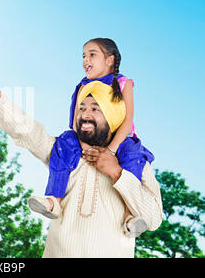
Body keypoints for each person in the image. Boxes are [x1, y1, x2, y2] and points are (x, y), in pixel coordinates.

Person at [0, 44, 163, 257]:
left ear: (112, 115)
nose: (84, 114)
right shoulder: (63, 152)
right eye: (81, 108)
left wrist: (117, 173)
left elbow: (153, 219)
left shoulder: (134, 163)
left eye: (95, 109)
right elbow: (22, 127)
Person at [27, 38, 153, 238]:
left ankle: (131, 216)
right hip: (87, 137)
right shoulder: (83, 85)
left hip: (120, 137)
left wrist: (111, 150)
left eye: (92, 54)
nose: (86, 59)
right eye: (83, 56)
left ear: (110, 60)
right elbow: (79, 120)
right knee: (64, 144)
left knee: (132, 157)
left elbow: (127, 121)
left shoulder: (123, 83)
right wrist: (84, 145)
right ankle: (54, 201)